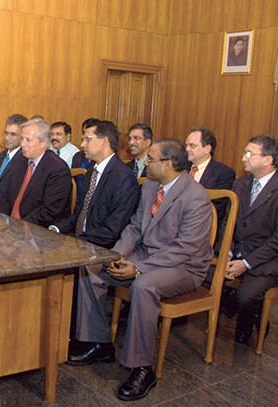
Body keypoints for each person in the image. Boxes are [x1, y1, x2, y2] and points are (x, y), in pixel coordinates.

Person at [69, 139, 213, 401]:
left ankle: (142, 368)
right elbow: (135, 227)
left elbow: (184, 248)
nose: (145, 163)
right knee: (90, 267)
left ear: (168, 164)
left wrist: (138, 269)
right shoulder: (150, 187)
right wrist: (118, 254)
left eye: (151, 159)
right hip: (146, 254)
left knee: (143, 286)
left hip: (183, 266)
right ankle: (99, 343)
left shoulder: (196, 197)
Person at [223, 135, 278, 344]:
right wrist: (228, 253)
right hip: (237, 252)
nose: (244, 158)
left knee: (245, 296)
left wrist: (245, 263)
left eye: (250, 154)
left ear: (268, 159)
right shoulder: (239, 184)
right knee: (202, 277)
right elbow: (228, 225)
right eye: (244, 153)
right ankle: (246, 308)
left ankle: (249, 319)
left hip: (269, 259)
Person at [50, 120, 139, 248]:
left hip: (101, 246)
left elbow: (112, 231)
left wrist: (75, 241)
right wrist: (57, 229)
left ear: (104, 141)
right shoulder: (92, 172)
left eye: (88, 139)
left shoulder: (123, 178)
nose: (82, 144)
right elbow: (81, 214)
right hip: (82, 239)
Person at [0, 119, 71, 227]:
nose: (22, 144)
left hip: (38, 231)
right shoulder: (19, 161)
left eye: (28, 140)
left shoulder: (58, 169)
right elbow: (7, 196)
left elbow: (49, 211)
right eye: (22, 139)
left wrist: (19, 226)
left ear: (43, 143)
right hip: (11, 226)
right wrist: (1, 219)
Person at [185, 126, 235, 253]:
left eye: (192, 146)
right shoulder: (180, 169)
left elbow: (217, 209)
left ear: (207, 148)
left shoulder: (223, 173)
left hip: (203, 233)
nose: (187, 149)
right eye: (187, 145)